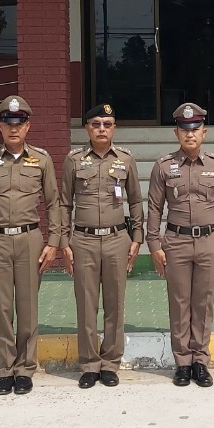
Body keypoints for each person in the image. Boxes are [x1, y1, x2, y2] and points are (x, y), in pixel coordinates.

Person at [0, 95, 59, 396]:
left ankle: (25, 369)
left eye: (19, 123)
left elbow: (53, 202)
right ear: (0, 126)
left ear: (28, 126)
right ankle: (6, 370)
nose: (14, 128)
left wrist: (54, 241)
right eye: (8, 123)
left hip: (30, 239)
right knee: (2, 307)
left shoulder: (41, 159)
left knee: (28, 307)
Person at [146, 101, 214, 389]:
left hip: (209, 242)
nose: (190, 134)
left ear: (204, 132)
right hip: (176, 242)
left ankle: (200, 361)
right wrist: (154, 244)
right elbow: (154, 208)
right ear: (176, 132)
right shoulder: (163, 166)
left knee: (204, 302)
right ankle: (183, 363)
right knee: (179, 302)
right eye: (184, 129)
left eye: (195, 129)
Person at [59, 102, 144, 390]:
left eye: (107, 124)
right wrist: (64, 241)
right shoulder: (74, 160)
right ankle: (89, 364)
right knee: (86, 304)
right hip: (83, 240)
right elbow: (64, 203)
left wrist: (137, 237)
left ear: (114, 128)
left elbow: (135, 200)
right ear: (87, 128)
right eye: (96, 124)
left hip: (117, 239)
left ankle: (110, 363)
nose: (102, 129)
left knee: (114, 304)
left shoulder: (125, 160)